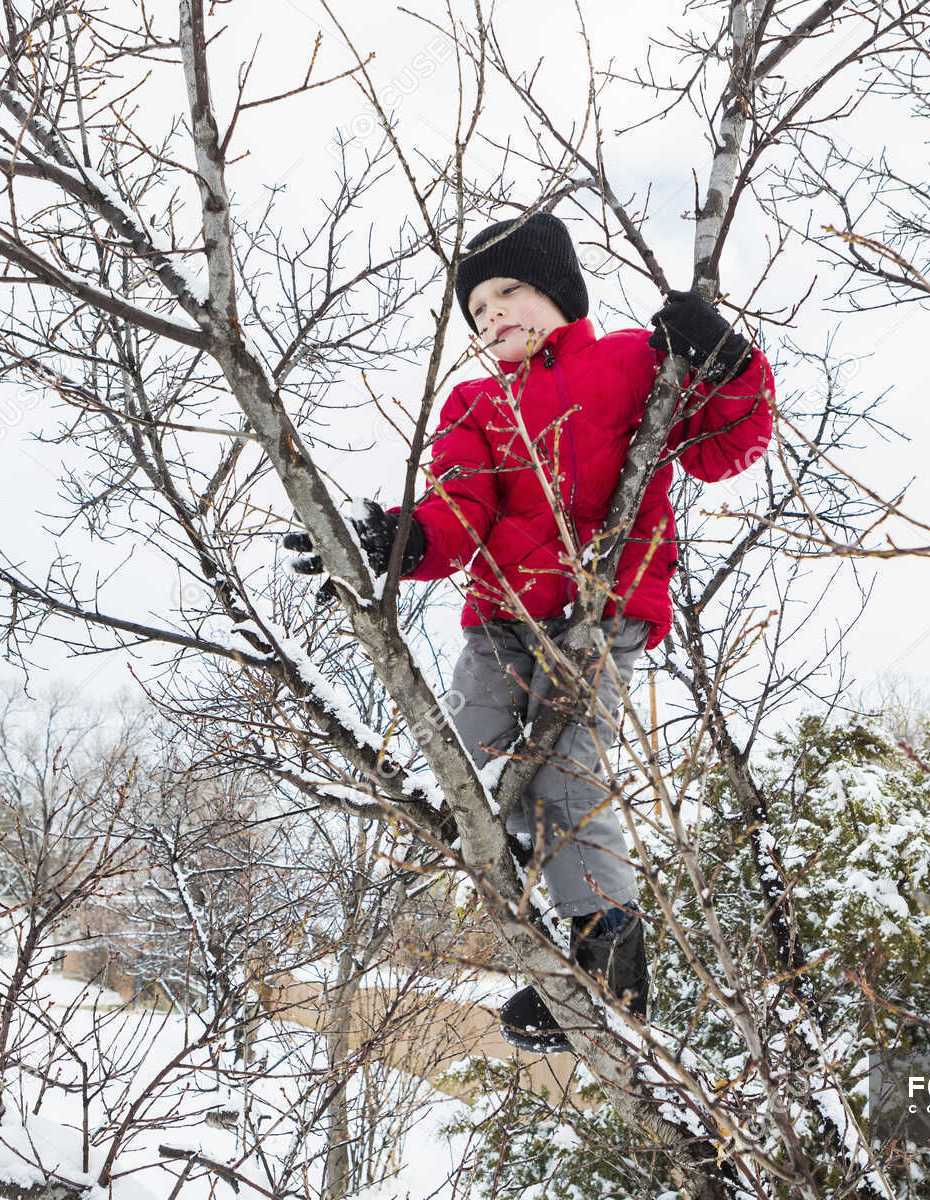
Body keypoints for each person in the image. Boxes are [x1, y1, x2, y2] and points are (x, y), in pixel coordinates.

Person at [284, 210, 775, 1052]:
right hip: (502, 620)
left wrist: (728, 359)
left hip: (602, 608)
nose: (494, 315)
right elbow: (459, 508)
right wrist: (393, 544)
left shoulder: (629, 361)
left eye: (510, 291)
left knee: (567, 766)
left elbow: (722, 448)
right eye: (477, 309)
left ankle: (609, 954)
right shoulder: (475, 401)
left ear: (557, 289)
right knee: (461, 763)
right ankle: (534, 904)